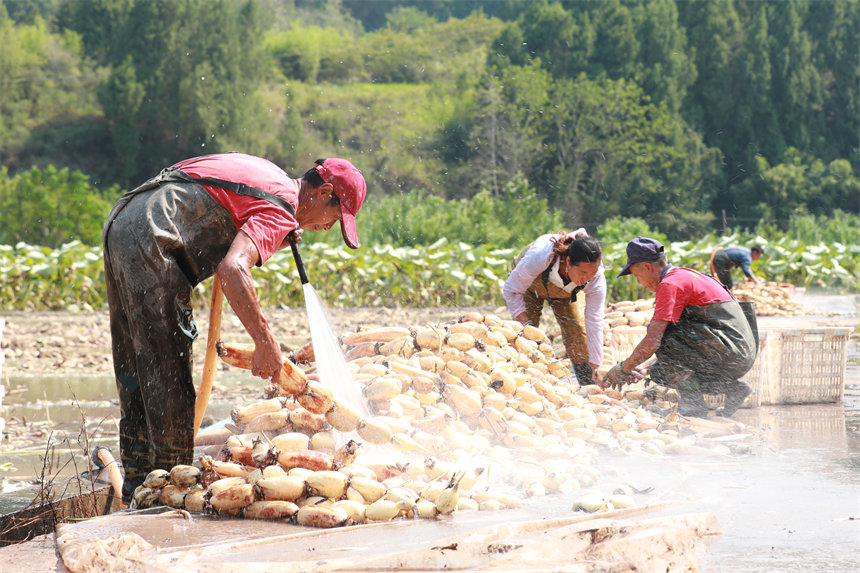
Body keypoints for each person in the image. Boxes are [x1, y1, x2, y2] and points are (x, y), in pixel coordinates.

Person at [103, 152, 366, 503]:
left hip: (126, 218)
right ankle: (172, 493)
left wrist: (264, 232)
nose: (329, 227)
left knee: (137, 366)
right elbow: (232, 269)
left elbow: (215, 201)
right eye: (335, 216)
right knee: (167, 369)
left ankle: (137, 485)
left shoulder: (272, 179)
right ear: (323, 191)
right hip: (156, 235)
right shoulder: (281, 205)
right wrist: (265, 343)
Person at [603, 237, 756, 418]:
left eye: (637, 276)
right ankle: (733, 389)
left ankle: (693, 406)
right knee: (658, 372)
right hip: (736, 353)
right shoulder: (684, 274)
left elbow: (655, 340)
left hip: (730, 351)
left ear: (647, 267)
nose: (639, 282)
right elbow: (683, 345)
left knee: (661, 334)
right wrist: (643, 368)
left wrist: (623, 368)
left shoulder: (670, 284)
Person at [503, 229, 606, 385]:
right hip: (530, 286)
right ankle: (523, 379)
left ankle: (586, 382)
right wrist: (526, 324)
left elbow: (594, 320)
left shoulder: (595, 277)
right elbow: (512, 290)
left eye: (591, 274)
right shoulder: (538, 257)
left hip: (565, 293)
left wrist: (595, 364)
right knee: (526, 335)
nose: (587, 278)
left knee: (576, 330)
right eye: (582, 273)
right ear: (569, 261)